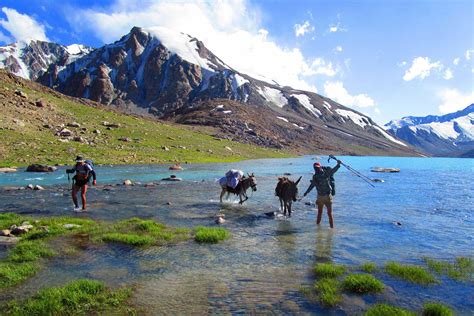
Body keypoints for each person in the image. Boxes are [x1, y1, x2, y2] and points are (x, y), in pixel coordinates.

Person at [303, 159, 341, 228]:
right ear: (319, 167)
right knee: (329, 214)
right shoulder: (325, 174)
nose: (317, 169)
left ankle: (317, 228)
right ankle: (331, 229)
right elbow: (333, 171)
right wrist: (338, 165)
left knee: (319, 213)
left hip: (320, 197)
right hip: (327, 197)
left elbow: (311, 186)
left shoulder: (315, 176)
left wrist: (306, 192)